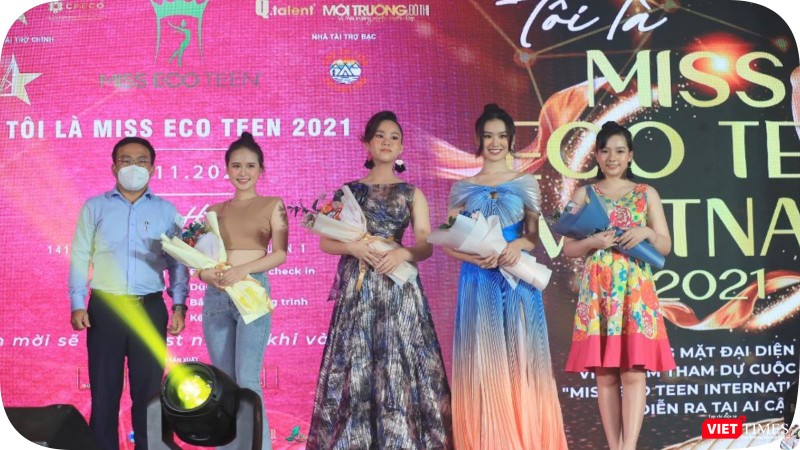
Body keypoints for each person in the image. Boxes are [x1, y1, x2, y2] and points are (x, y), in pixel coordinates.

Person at [307, 111, 453, 449]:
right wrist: (354, 247)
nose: (387, 142)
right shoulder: (348, 192)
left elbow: (425, 244)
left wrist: (402, 253)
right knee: (358, 365)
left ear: (401, 148)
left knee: (399, 365)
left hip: (398, 289)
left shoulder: (412, 193)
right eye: (380, 136)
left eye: (394, 137)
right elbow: (326, 240)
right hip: (359, 290)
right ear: (368, 144)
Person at [443, 104, 567, 450]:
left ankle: (526, 440)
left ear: (511, 140)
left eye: (501, 136)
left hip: (517, 278)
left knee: (521, 358)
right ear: (478, 140)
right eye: (488, 136)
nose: (495, 143)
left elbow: (533, 235)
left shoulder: (525, 183)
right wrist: (474, 256)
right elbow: (448, 242)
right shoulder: (462, 187)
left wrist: (518, 246)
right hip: (478, 280)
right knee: (484, 361)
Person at [68, 136, 190, 450]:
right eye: (126, 160)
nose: (133, 166)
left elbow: (178, 261)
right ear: (114, 167)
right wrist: (78, 302)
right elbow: (80, 255)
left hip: (150, 308)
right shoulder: (95, 207)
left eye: (141, 161)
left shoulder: (167, 211)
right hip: (105, 309)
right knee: (104, 391)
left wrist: (179, 305)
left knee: (149, 393)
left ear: (152, 168)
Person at [563, 121, 676, 450]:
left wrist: (647, 233)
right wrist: (594, 241)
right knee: (606, 374)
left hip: (635, 292)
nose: (612, 157)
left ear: (630, 156)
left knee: (634, 372)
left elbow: (665, 245)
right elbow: (568, 248)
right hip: (599, 291)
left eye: (619, 151)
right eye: (605, 151)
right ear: (597, 156)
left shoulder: (646, 193)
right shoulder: (583, 194)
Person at [197, 132, 288, 450]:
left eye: (250, 166)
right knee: (223, 382)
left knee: (247, 379)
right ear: (226, 169)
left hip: (251, 291)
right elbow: (200, 259)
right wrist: (206, 274)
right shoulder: (213, 210)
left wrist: (242, 271)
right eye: (236, 165)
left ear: (261, 169)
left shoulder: (273, 205)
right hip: (217, 296)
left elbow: (280, 254)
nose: (243, 172)